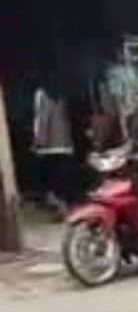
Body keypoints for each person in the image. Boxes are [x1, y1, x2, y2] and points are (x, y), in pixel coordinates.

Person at [32, 83, 76, 216]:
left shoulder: (41, 94)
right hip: (65, 145)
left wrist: (38, 143)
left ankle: (60, 208)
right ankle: (65, 208)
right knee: (63, 179)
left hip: (50, 147)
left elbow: (42, 120)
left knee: (52, 180)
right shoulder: (61, 95)